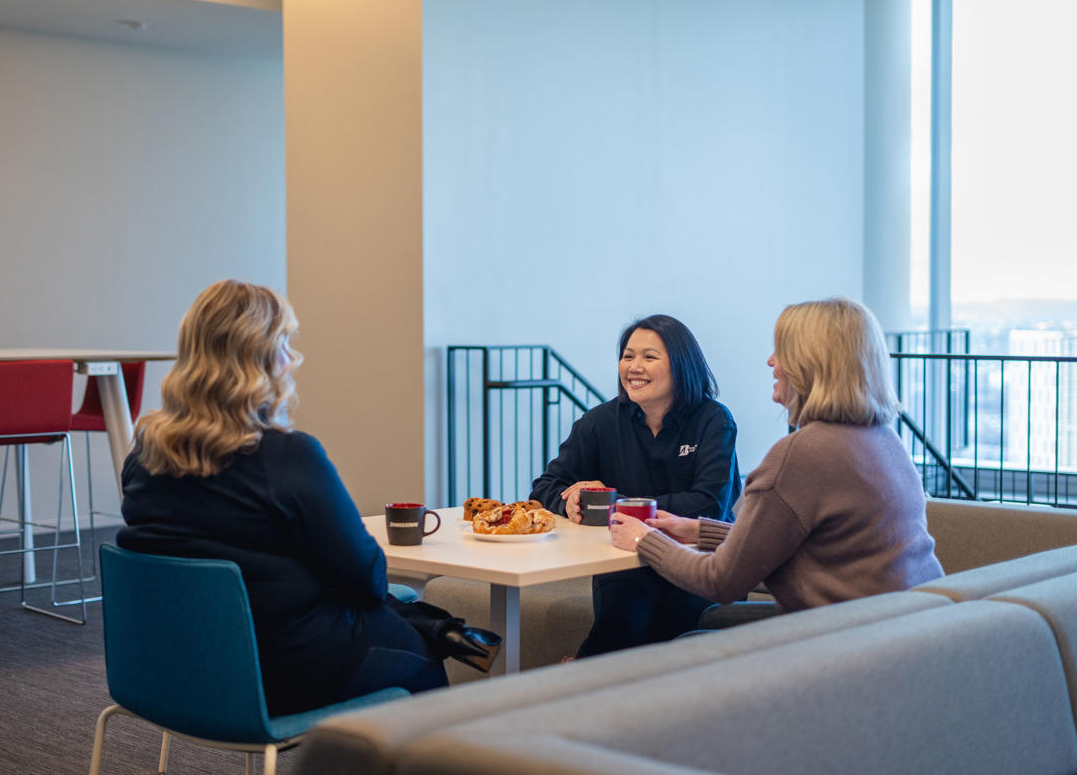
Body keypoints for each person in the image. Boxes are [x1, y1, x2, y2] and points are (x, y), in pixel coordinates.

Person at [118, 280, 497, 716]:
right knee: (418, 653)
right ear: (258, 359)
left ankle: (439, 632)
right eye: (283, 343)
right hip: (281, 670)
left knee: (395, 619)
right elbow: (367, 577)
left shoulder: (144, 454)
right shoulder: (287, 455)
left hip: (173, 665)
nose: (291, 359)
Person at [608, 298, 944, 622]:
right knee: (711, 621)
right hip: (905, 626)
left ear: (811, 364)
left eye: (782, 352)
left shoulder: (801, 455)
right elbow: (803, 542)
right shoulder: (884, 440)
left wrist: (643, 539)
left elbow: (720, 581)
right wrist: (699, 530)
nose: (771, 361)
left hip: (844, 642)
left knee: (685, 642)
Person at [529, 314, 742, 657]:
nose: (634, 367)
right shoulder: (599, 422)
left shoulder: (714, 419)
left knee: (677, 633)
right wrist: (572, 501)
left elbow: (707, 505)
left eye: (649, 357)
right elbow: (546, 485)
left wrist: (616, 503)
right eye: (628, 356)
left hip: (699, 559)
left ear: (682, 365)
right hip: (624, 562)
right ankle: (580, 696)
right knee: (621, 626)